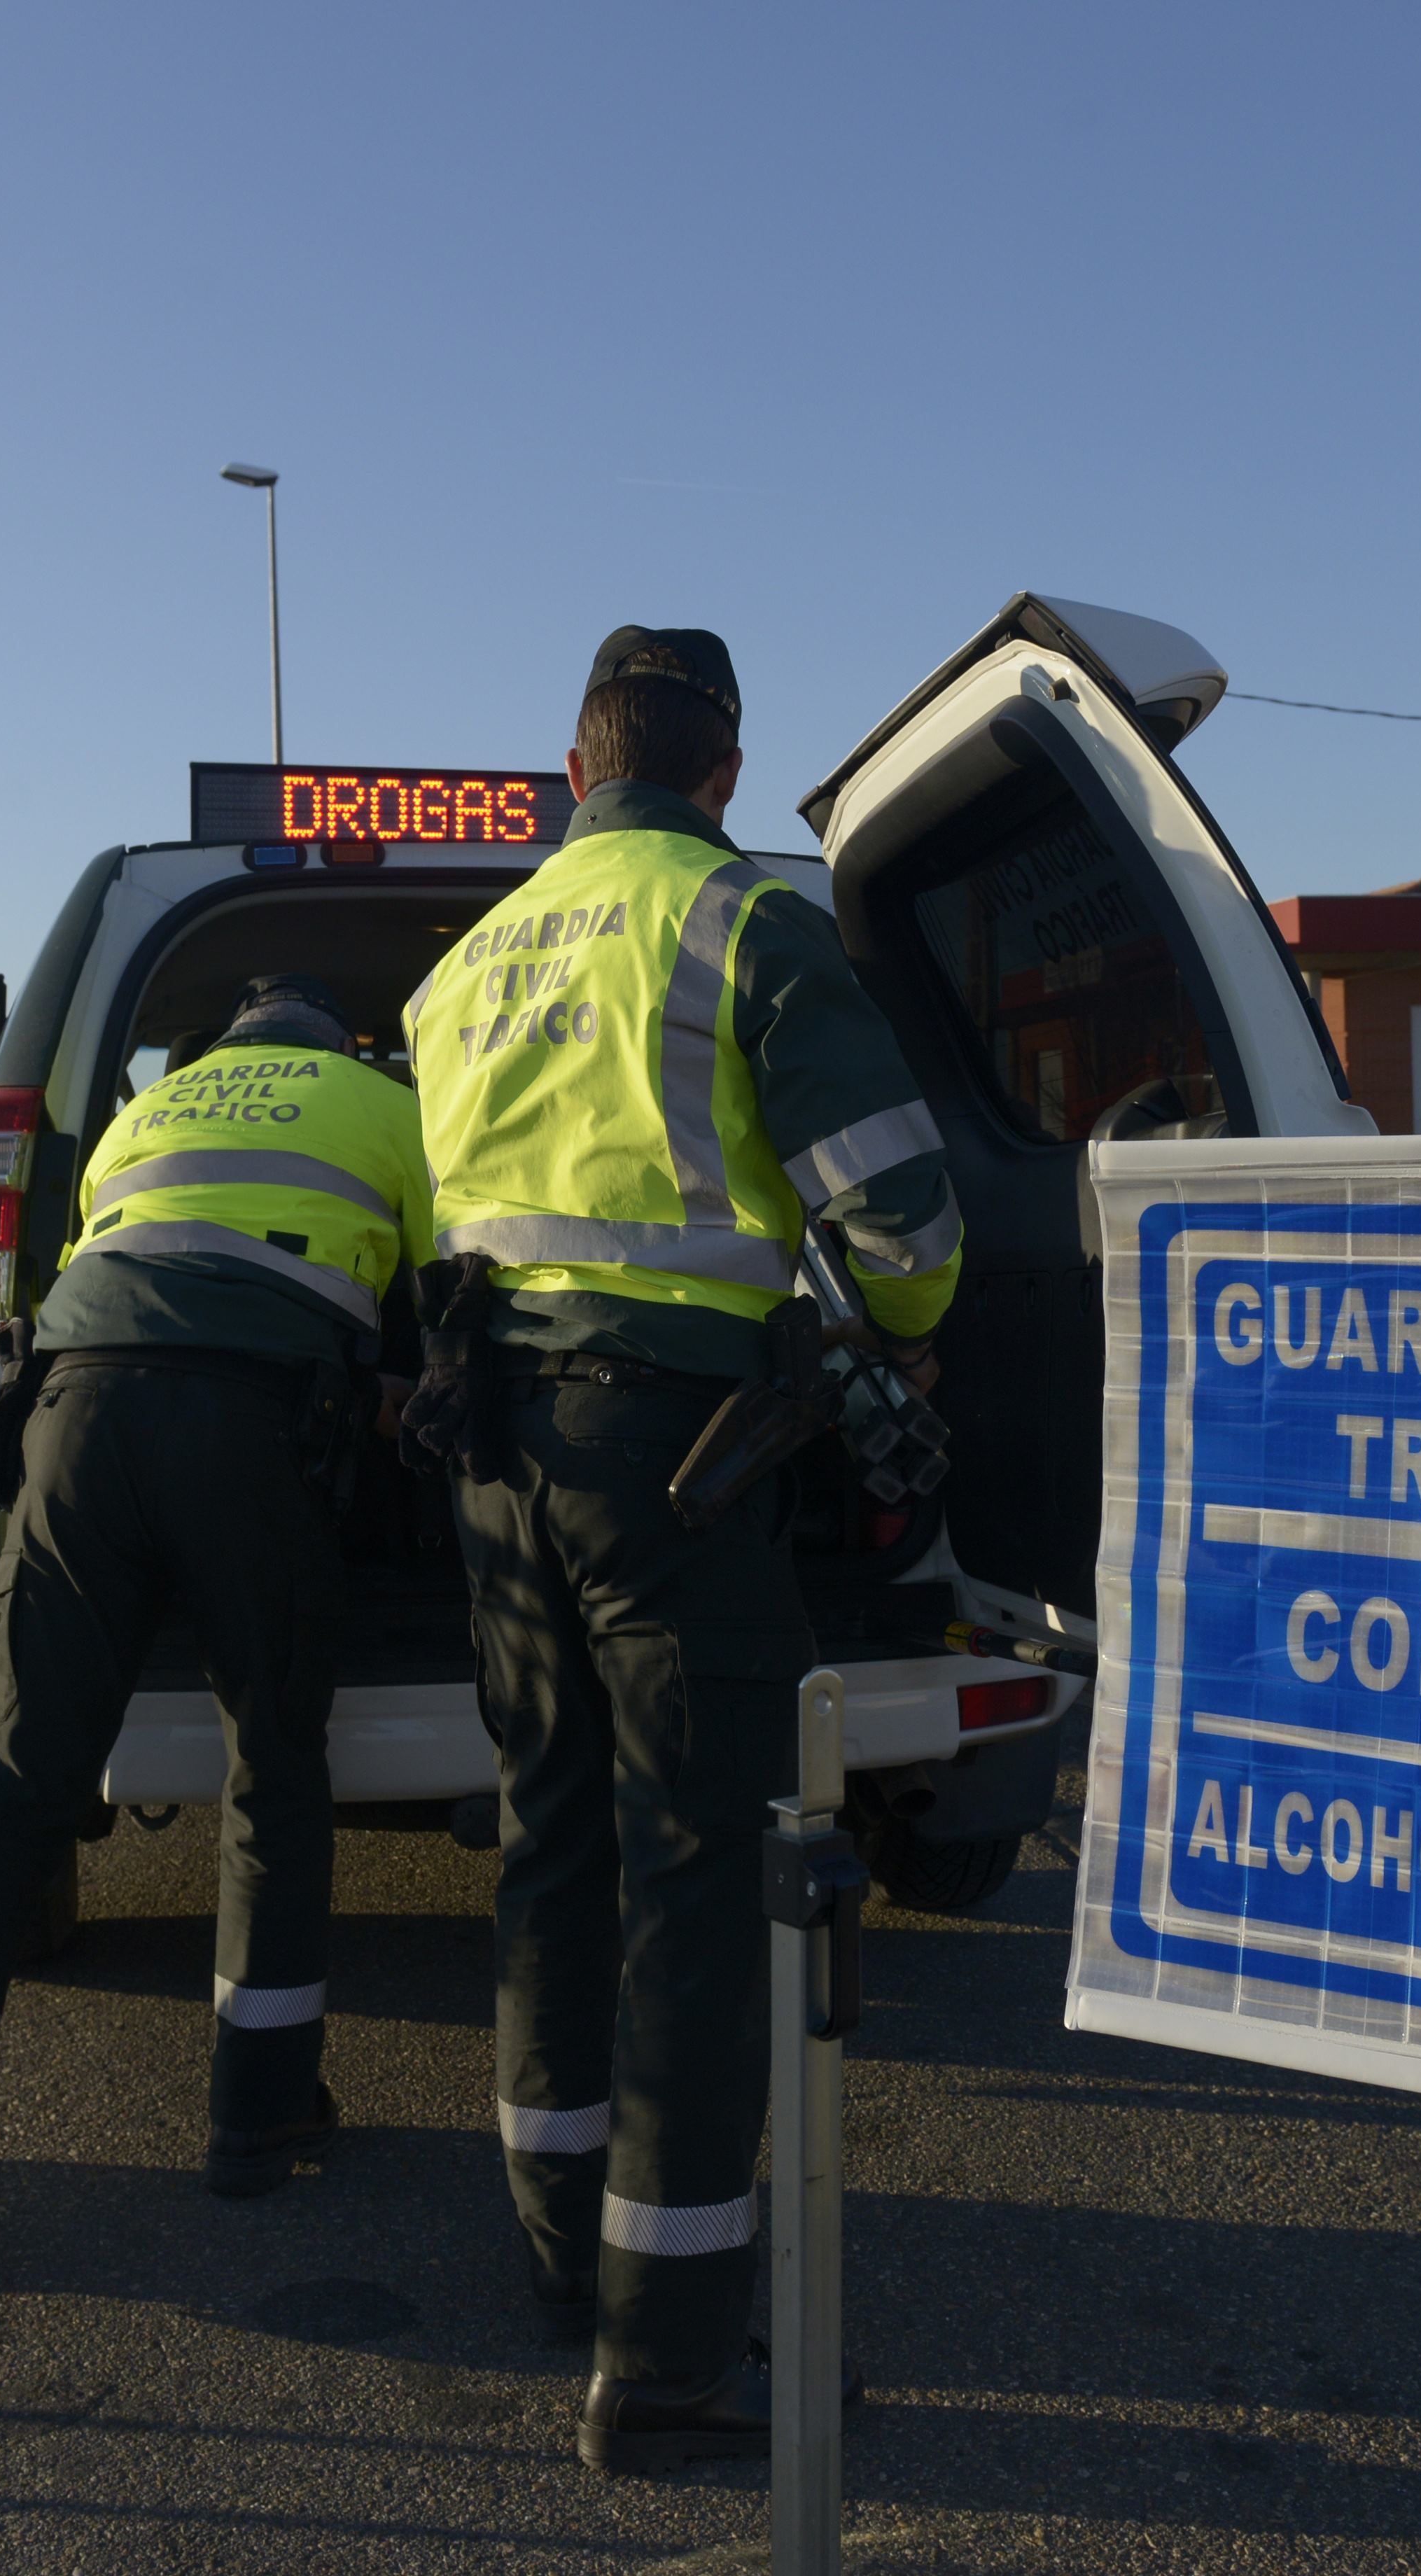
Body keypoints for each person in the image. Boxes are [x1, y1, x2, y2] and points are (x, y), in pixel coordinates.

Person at [403, 627, 964, 2474]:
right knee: (703, 1885)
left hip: (497, 1458)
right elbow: (903, 1226)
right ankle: (667, 2361)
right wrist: (898, 1328)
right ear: (721, 774)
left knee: (552, 1841)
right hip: (681, 1468)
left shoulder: (467, 962)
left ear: (577, 769)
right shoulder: (745, 922)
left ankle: (566, 2248)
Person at [0, 974, 427, 2250]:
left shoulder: (144, 1115)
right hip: (250, 1431)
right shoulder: (384, 1106)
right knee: (274, 1769)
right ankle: (258, 2118)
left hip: (76, 1421)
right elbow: (441, 1297)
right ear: (339, 1044)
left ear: (225, 1046)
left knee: (6, 1790)